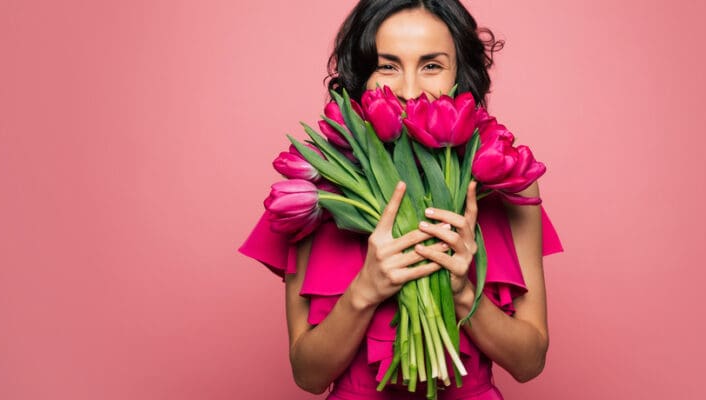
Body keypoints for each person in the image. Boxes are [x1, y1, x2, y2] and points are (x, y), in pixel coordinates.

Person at [239, 1, 563, 399]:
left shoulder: (506, 181)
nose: (410, 91)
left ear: (462, 74)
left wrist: (462, 292)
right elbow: (308, 375)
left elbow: (529, 364)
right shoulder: (320, 190)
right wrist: (367, 289)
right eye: (387, 66)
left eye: (432, 66)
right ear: (360, 73)